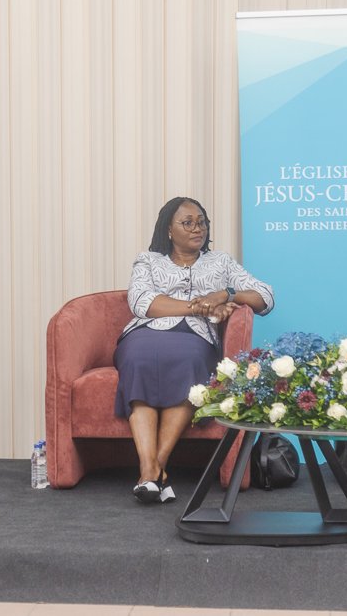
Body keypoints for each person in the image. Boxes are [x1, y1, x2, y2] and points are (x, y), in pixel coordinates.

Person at [114, 197, 274, 504]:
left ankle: (151, 472)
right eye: (187, 223)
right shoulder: (148, 260)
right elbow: (141, 303)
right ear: (169, 230)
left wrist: (226, 293)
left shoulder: (221, 263)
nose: (196, 228)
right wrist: (200, 308)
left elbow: (265, 297)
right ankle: (152, 471)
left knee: (189, 360)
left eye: (201, 221)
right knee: (138, 360)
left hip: (195, 339)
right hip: (144, 334)